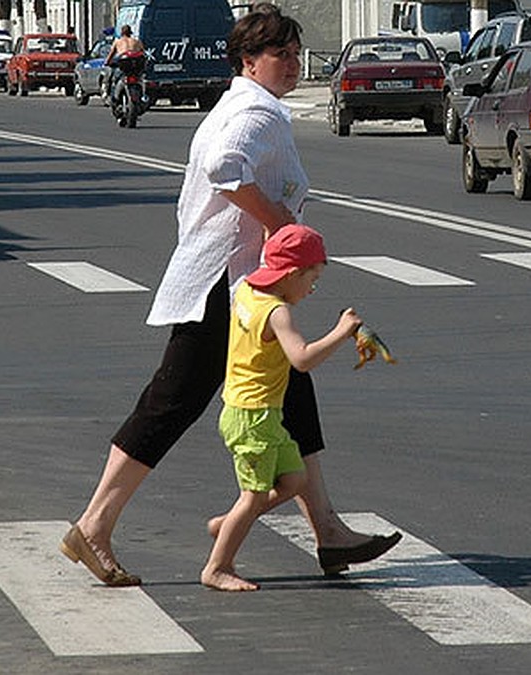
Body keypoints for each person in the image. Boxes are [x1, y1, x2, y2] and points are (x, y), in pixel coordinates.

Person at [60, 3, 401, 588]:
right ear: (249, 61)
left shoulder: (247, 106)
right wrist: (276, 225)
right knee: (173, 401)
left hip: (239, 282)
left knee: (292, 391)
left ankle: (327, 531)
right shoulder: (255, 113)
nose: (292, 64)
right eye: (280, 55)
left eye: (296, 53)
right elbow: (223, 166)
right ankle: (94, 525)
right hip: (225, 285)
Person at [203, 225, 377, 592]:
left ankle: (231, 522)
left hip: (254, 412)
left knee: (295, 480)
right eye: (311, 280)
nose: (312, 289)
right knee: (251, 497)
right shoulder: (277, 312)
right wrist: (341, 332)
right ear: (291, 274)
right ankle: (218, 567)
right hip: (254, 417)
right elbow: (300, 359)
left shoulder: (248, 290)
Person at [104, 25, 144, 104]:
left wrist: (107, 63)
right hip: (136, 66)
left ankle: (111, 96)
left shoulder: (118, 42)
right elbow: (143, 52)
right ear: (130, 33)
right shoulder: (136, 41)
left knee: (113, 78)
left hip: (124, 66)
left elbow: (110, 55)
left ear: (122, 33)